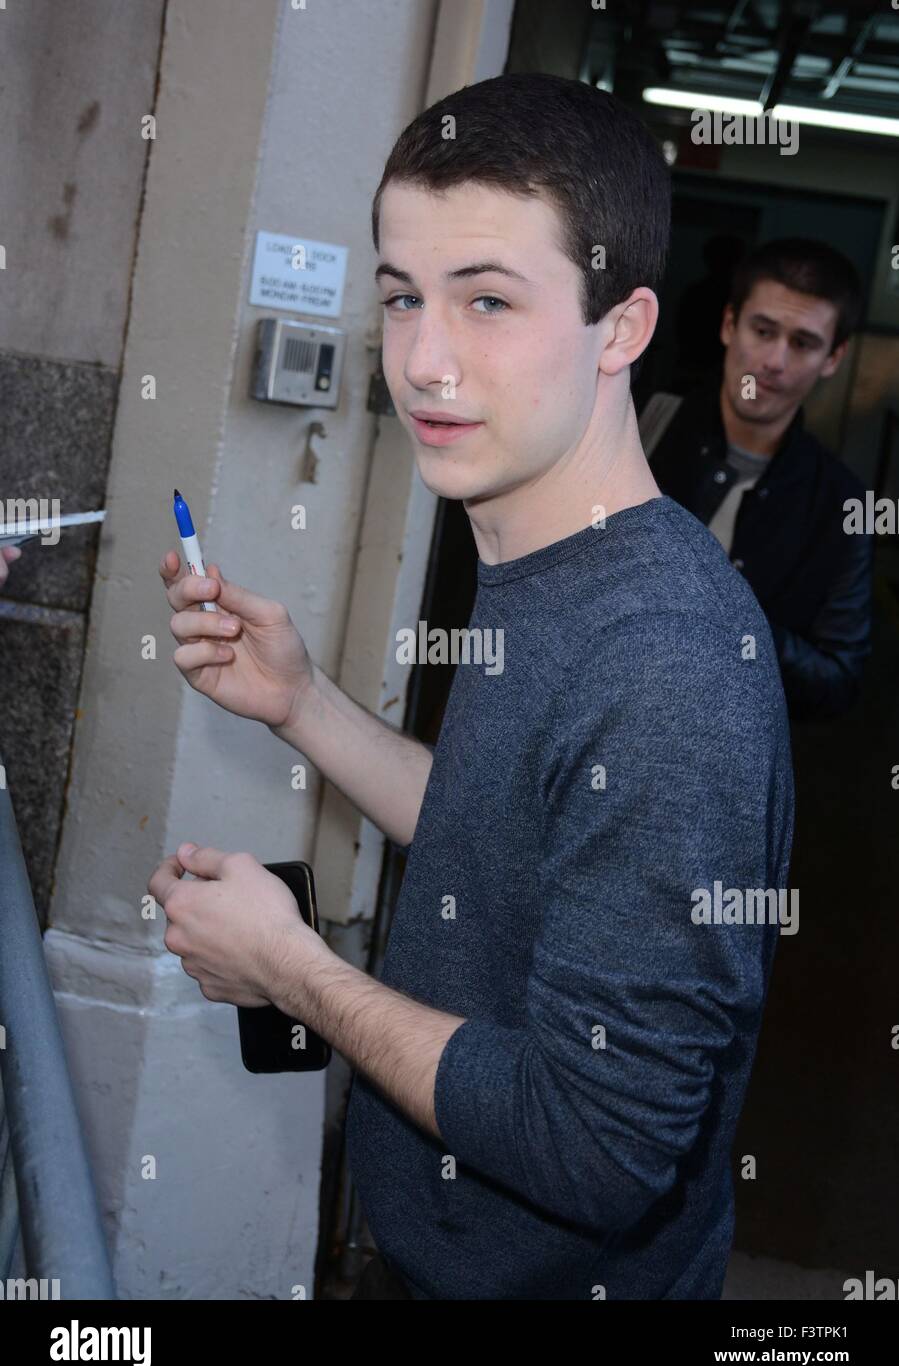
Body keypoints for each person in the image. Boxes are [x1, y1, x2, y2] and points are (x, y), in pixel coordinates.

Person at [149, 72, 794, 1300]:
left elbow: (595, 1143)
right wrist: (303, 704)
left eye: (488, 299)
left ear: (622, 328)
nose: (424, 362)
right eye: (402, 298)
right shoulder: (550, 569)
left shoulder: (665, 662)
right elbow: (517, 836)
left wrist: (291, 972)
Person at [644, 238, 873, 721]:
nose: (775, 362)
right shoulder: (644, 425)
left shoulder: (843, 504)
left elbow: (840, 679)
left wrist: (734, 617)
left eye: (804, 343)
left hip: (720, 762)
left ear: (833, 358)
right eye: (763, 330)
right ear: (729, 324)